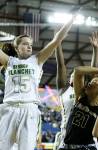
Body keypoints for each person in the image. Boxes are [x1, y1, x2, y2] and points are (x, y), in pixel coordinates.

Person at [0, 13, 77, 150]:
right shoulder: (9, 61)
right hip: (9, 108)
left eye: (30, 44)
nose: (29, 47)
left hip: (29, 109)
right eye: (24, 44)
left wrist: (71, 19)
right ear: (17, 48)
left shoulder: (37, 60)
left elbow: (56, 40)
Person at [53, 31, 98, 150]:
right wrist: (57, 43)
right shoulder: (64, 90)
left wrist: (96, 49)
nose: (76, 75)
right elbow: (61, 65)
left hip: (87, 139)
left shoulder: (87, 92)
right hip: (67, 137)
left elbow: (94, 71)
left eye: (80, 75)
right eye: (73, 74)